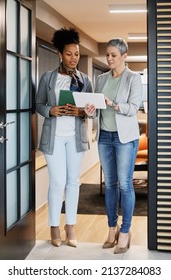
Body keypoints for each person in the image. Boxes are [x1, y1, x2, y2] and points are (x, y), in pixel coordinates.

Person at [36, 27, 95, 248]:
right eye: (69, 54)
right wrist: (51, 110)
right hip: (54, 138)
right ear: (60, 54)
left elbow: (93, 109)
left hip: (75, 137)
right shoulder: (48, 78)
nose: (74, 58)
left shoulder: (85, 79)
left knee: (73, 182)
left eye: (77, 54)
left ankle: (70, 227)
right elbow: (39, 104)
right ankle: (53, 227)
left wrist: (80, 111)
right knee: (58, 182)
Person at [86, 38, 142, 253]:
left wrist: (113, 104)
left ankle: (125, 232)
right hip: (105, 137)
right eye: (107, 54)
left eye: (113, 55)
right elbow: (97, 108)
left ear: (124, 56)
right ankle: (112, 229)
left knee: (125, 184)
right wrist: (91, 110)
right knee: (110, 184)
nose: (109, 58)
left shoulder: (133, 79)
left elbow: (133, 108)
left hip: (125, 138)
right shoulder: (100, 79)